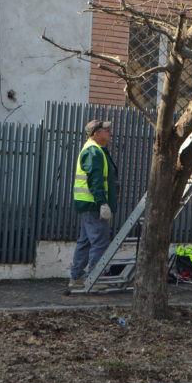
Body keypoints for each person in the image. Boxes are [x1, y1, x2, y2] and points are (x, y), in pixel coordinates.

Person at [70, 119, 117, 289]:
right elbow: (95, 180)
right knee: (100, 242)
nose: (109, 132)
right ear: (96, 134)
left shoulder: (95, 150)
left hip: (88, 204)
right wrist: (102, 203)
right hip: (94, 204)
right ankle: (93, 279)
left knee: (86, 241)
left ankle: (77, 278)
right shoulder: (93, 151)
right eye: (105, 130)